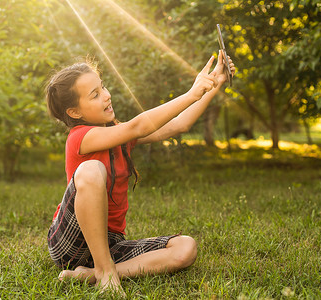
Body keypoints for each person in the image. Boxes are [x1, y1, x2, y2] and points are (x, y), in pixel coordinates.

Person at [45, 50, 235, 295]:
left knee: (185, 248)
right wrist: (191, 93)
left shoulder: (119, 134)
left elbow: (179, 124)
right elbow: (138, 125)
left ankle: (94, 273)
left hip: (109, 242)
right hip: (72, 242)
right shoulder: (80, 138)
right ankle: (105, 273)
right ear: (74, 112)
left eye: (103, 88)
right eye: (95, 95)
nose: (106, 96)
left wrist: (213, 85)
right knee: (92, 169)